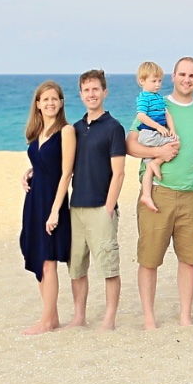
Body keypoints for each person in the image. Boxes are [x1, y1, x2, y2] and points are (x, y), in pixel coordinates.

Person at [126, 57, 193, 330]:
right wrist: (156, 152)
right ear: (173, 77)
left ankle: (185, 316)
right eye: (182, 74)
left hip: (192, 195)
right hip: (158, 193)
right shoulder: (156, 103)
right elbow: (130, 143)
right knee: (149, 259)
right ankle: (149, 318)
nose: (187, 79)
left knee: (188, 260)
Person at [67, 69, 126, 332]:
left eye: (95, 89)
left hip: (101, 208)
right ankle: (79, 317)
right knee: (76, 267)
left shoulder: (114, 128)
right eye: (86, 90)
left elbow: (119, 172)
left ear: (104, 92)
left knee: (108, 267)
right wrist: (31, 171)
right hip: (75, 208)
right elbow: (63, 165)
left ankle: (109, 319)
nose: (91, 94)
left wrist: (109, 208)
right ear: (80, 95)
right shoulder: (75, 129)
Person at [19, 81, 76, 335]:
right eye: (46, 99)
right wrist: (29, 172)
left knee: (48, 262)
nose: (50, 103)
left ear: (61, 103)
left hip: (53, 202)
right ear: (38, 104)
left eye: (55, 99)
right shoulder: (37, 132)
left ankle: (46, 321)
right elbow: (43, 162)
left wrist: (55, 211)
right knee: (38, 258)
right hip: (33, 202)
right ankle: (51, 318)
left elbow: (66, 173)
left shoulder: (66, 131)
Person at [134, 61, 177, 214]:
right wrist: (159, 127)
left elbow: (167, 114)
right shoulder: (145, 97)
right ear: (142, 81)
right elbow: (141, 115)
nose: (157, 84)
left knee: (148, 168)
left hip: (155, 133)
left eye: (159, 81)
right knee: (175, 143)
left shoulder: (158, 97)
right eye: (154, 81)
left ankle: (146, 195)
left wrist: (171, 128)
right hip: (149, 134)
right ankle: (157, 162)